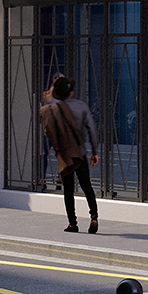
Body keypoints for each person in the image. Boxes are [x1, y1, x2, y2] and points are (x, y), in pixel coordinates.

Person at [41, 72, 98, 235]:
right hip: (79, 153)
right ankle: (94, 216)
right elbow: (92, 130)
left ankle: (73, 224)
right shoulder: (81, 106)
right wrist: (95, 152)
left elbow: (47, 132)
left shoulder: (54, 109)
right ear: (71, 92)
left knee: (68, 189)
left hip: (65, 155)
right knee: (87, 186)